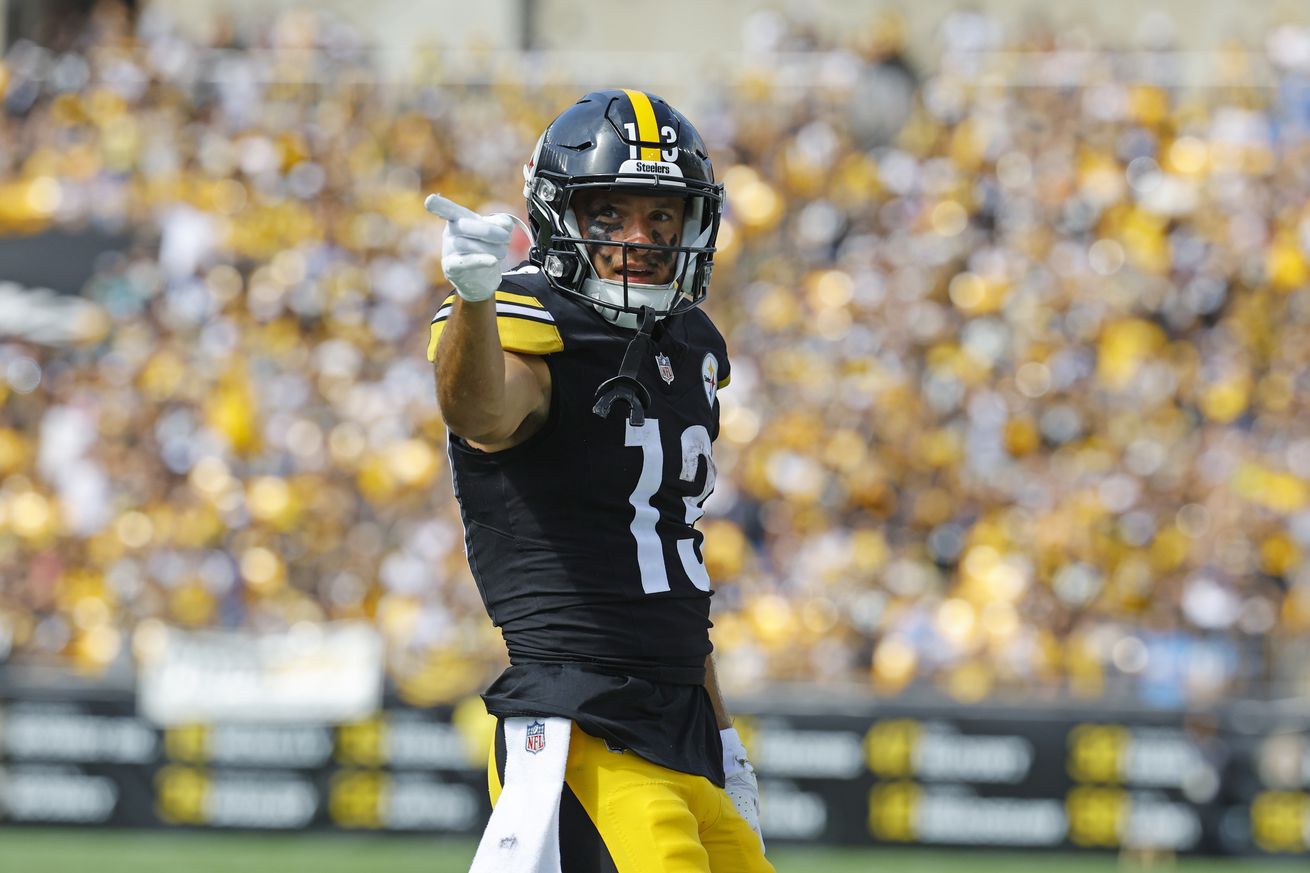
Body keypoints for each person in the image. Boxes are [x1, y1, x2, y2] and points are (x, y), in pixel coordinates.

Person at [425, 88, 775, 873]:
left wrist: (722, 732)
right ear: (562, 219)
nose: (639, 239)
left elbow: (667, 562)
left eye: (661, 217)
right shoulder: (529, 315)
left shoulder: (691, 343)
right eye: (609, 216)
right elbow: (482, 412)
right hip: (582, 717)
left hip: (680, 713)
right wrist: (476, 300)